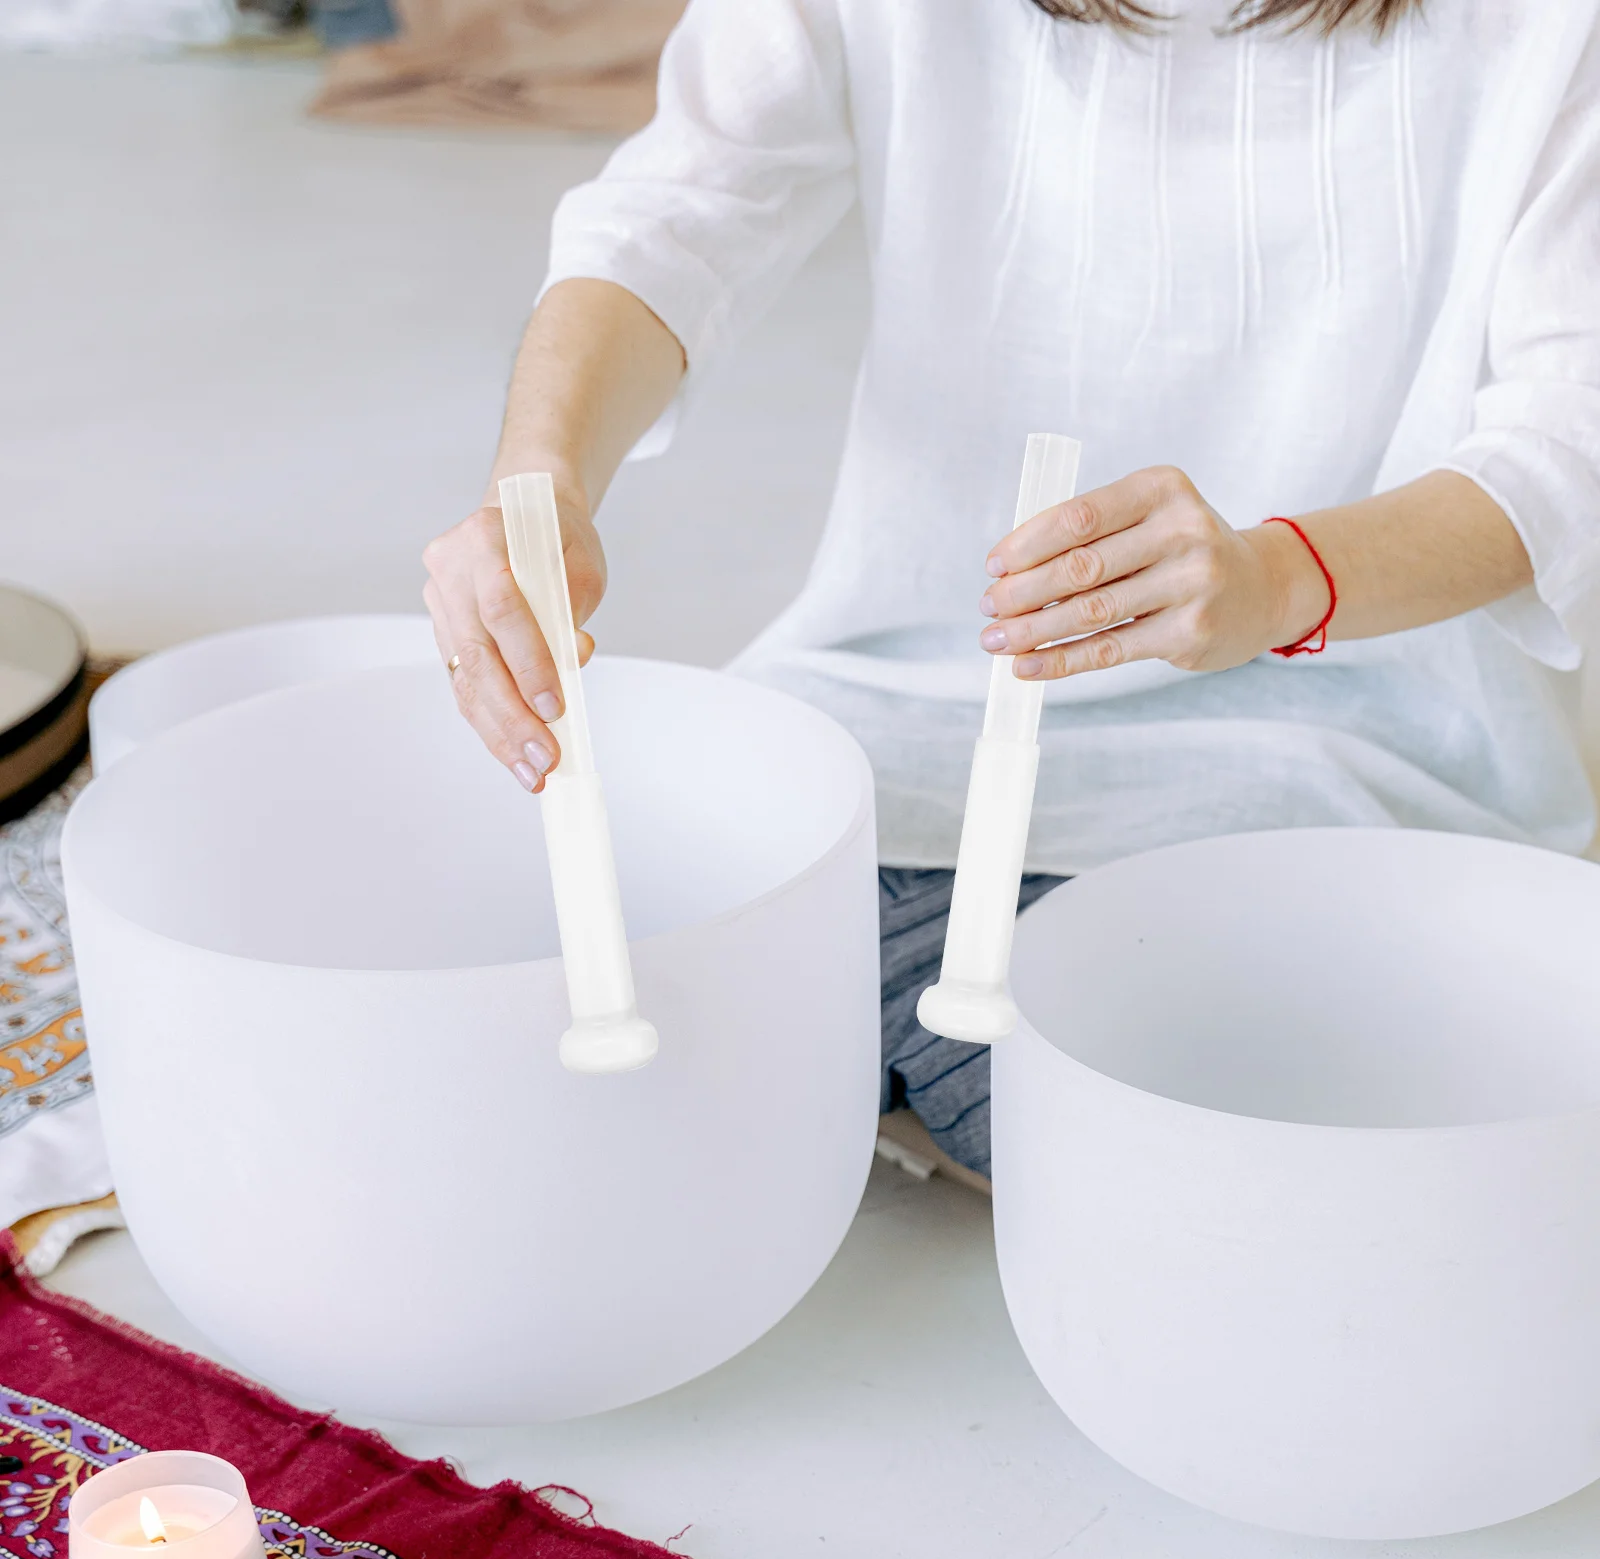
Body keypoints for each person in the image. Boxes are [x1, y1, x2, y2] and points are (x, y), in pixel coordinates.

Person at [423, 0, 1600, 1180]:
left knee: (1172, 1112)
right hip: (906, 735)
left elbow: (1565, 441)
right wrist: (542, 476)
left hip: (1337, 766)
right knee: (532, 972)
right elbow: (680, 212)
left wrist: (1281, 576)